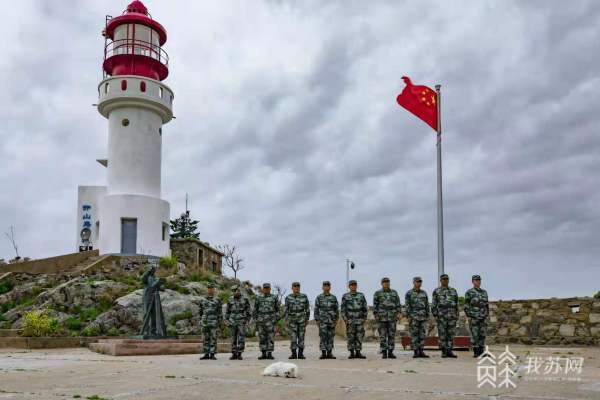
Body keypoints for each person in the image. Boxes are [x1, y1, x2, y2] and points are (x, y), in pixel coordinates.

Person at [373, 277, 401, 359]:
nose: (386, 283)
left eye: (387, 282)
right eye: (384, 282)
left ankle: (391, 352)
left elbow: (398, 304)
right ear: (381, 284)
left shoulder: (394, 293)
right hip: (382, 318)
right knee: (382, 335)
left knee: (391, 335)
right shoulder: (377, 293)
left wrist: (399, 313)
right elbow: (375, 305)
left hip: (392, 317)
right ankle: (384, 352)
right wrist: (376, 314)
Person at [432, 274, 459, 358]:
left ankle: (450, 350)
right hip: (441, 316)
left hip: (452, 315)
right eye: (443, 279)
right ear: (440, 280)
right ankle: (443, 351)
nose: (445, 281)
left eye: (447, 279)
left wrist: (457, 314)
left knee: (451, 334)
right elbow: (434, 305)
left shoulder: (453, 290)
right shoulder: (436, 291)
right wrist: (436, 315)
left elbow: (456, 303)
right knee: (442, 334)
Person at [341, 280, 368, 359]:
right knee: (351, 336)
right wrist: (345, 319)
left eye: (354, 285)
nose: (353, 286)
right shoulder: (345, 296)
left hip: (359, 320)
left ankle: (358, 352)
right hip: (350, 320)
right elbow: (343, 309)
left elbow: (365, 308)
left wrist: (364, 318)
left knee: (359, 336)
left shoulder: (361, 296)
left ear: (356, 286)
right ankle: (352, 352)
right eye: (351, 285)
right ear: (349, 286)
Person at [405, 276, 430, 358]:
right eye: (417, 282)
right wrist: (409, 316)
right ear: (413, 283)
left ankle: (421, 351)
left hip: (423, 316)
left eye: (420, 282)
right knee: (414, 335)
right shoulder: (409, 293)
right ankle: (416, 351)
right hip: (414, 317)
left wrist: (427, 315)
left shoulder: (424, 293)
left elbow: (427, 305)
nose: (419, 283)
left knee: (422, 334)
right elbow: (407, 306)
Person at [464, 274, 489, 357]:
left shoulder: (484, 292)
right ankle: (476, 352)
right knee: (475, 335)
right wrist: (470, 316)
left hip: (483, 316)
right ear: (472, 282)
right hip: (474, 317)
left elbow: (486, 305)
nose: (478, 281)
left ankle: (482, 351)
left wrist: (486, 315)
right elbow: (466, 306)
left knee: (482, 334)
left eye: (479, 280)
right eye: (476, 280)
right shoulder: (469, 292)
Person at [253, 282, 280, 360]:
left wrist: (275, 319)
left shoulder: (274, 297)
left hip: (271, 320)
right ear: (263, 289)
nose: (266, 289)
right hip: (261, 320)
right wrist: (256, 319)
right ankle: (263, 354)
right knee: (262, 337)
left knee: (270, 337)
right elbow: (255, 309)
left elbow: (278, 310)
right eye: (265, 288)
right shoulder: (258, 298)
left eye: (268, 288)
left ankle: (270, 354)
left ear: (270, 289)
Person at [284, 282, 310, 359]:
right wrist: (286, 320)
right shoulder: (288, 297)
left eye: (298, 287)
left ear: (299, 288)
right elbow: (286, 310)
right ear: (292, 288)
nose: (296, 288)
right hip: (292, 320)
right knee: (293, 337)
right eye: (295, 287)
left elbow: (307, 309)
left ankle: (301, 354)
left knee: (301, 337)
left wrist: (307, 319)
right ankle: (294, 354)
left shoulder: (304, 296)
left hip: (302, 319)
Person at [139, 265, 167, 337]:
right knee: (146, 314)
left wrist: (162, 284)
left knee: (154, 315)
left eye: (154, 270)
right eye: (152, 270)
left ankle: (153, 331)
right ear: (149, 270)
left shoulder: (155, 278)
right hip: (147, 297)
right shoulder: (146, 277)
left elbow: (161, 288)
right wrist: (158, 281)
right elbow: (145, 281)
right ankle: (145, 330)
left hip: (155, 298)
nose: (154, 271)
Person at [314, 281, 339, 359]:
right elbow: (316, 309)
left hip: (331, 320)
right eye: (325, 286)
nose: (326, 287)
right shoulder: (319, 297)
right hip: (322, 321)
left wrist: (336, 319)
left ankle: (330, 353)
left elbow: (336, 309)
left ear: (330, 287)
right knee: (323, 336)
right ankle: (323, 353)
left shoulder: (333, 298)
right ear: (322, 287)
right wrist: (317, 320)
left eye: (328, 286)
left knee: (331, 336)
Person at [225, 285, 251, 360]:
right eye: (234, 291)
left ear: (239, 291)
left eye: (237, 291)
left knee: (241, 338)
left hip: (241, 320)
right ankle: (233, 353)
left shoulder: (245, 299)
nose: (236, 292)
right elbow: (227, 311)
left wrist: (247, 320)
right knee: (233, 338)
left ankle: (239, 353)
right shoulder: (230, 299)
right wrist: (226, 320)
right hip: (232, 320)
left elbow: (248, 310)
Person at [199, 282, 222, 360]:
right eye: (209, 288)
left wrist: (219, 322)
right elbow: (200, 311)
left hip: (214, 321)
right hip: (205, 321)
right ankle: (206, 354)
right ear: (207, 290)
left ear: (214, 290)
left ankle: (212, 354)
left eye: (211, 288)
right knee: (205, 338)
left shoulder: (217, 300)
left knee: (213, 338)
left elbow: (219, 312)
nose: (210, 290)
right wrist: (201, 320)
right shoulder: (202, 300)